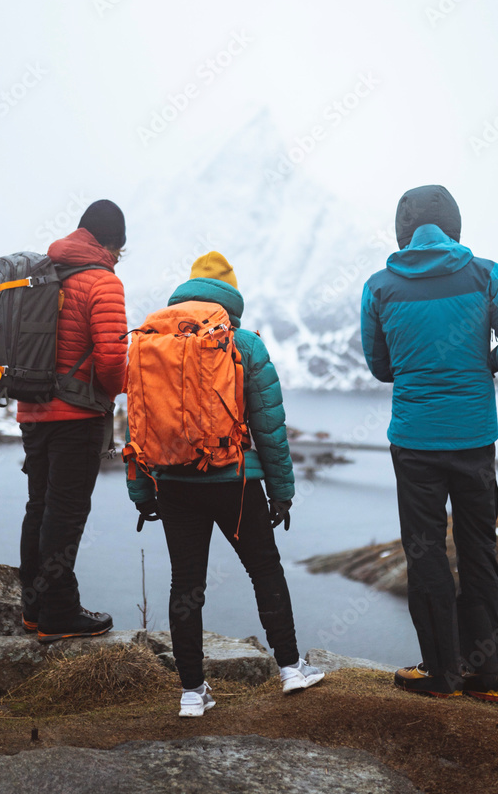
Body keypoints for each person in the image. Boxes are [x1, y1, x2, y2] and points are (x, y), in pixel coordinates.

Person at [361, 185, 498, 701]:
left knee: (425, 556)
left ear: (403, 230)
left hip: (414, 443)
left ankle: (441, 675)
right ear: (455, 226)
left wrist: (418, 368)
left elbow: (380, 368)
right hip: (473, 439)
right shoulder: (488, 275)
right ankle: (484, 677)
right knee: (479, 552)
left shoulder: (379, 287)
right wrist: (486, 360)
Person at [127, 251, 324, 716]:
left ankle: (192, 693)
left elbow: (136, 426)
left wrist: (142, 492)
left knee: (186, 584)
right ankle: (292, 669)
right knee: (265, 570)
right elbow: (270, 429)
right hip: (233, 483)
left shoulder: (150, 341)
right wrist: (281, 492)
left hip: (173, 483)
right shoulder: (244, 343)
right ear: (231, 298)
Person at [17, 199, 128, 643]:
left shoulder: (43, 271)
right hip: (77, 416)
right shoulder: (103, 281)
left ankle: (34, 607)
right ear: (110, 242)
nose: (119, 257)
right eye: (119, 248)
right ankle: (60, 613)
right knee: (66, 515)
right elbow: (111, 359)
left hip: (33, 411)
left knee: (38, 508)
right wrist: (115, 390)